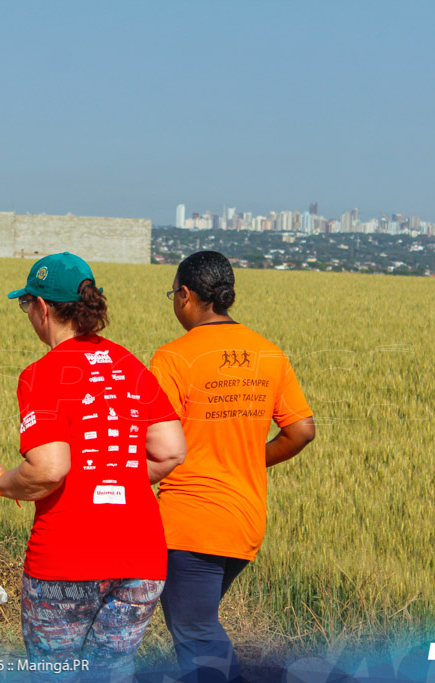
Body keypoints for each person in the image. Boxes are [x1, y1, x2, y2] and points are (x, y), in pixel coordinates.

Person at [0, 252, 186, 681]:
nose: (27, 313)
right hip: (142, 559)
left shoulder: (43, 373)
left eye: (26, 304)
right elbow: (170, 451)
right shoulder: (130, 364)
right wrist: (115, 474)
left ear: (43, 308)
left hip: (69, 560)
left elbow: (49, 469)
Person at [150, 251, 315, 683]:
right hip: (244, 520)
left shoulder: (172, 357)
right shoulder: (269, 353)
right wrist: (247, 456)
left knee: (195, 630)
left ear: (185, 295)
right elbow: (302, 431)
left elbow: (156, 443)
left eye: (173, 293)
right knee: (200, 625)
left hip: (189, 522)